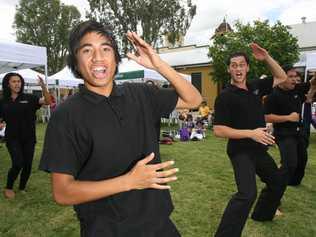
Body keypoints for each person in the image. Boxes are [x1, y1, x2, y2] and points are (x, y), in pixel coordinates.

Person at [39, 20, 202, 237]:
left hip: (159, 223)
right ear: (76, 62)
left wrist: (158, 64)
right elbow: (63, 192)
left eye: (105, 49)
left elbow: (193, 100)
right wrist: (129, 181)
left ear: (115, 58)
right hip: (106, 228)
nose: (98, 57)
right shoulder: (66, 115)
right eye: (87, 50)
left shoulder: (142, 94)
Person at [212, 44, 288, 237]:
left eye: (242, 65)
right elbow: (219, 130)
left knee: (278, 182)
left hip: (259, 150)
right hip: (240, 151)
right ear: (229, 69)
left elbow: (282, 77)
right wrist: (251, 133)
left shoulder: (255, 86)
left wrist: (267, 57)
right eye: (234, 65)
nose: (238, 69)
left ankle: (262, 215)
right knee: (247, 194)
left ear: (247, 67)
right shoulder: (225, 96)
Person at [0, 73, 51, 199]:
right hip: (12, 138)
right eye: (14, 81)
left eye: (19, 81)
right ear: (8, 84)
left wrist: (43, 87)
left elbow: (48, 101)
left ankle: (22, 187)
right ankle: (9, 187)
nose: (17, 84)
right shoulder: (3, 101)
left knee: (27, 164)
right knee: (18, 163)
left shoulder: (30, 98)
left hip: (29, 137)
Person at [264, 68, 316, 186]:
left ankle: (293, 182)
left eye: (295, 76)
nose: (294, 80)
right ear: (281, 78)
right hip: (284, 133)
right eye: (290, 77)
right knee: (290, 163)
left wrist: (313, 86)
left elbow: (308, 96)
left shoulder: (296, 89)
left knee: (302, 160)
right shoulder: (272, 95)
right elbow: (267, 117)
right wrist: (288, 117)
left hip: (299, 131)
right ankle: (275, 187)